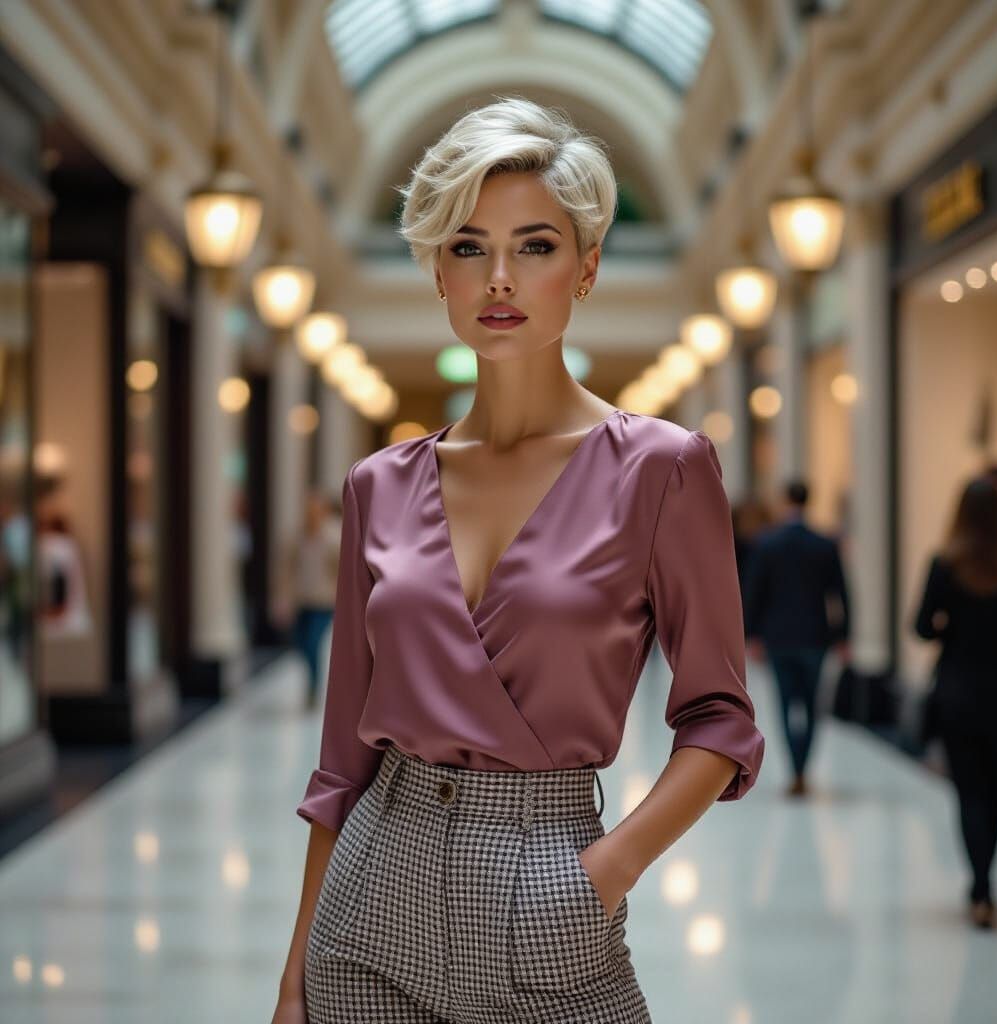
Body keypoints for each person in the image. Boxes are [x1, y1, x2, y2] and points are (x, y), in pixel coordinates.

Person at [273, 97, 765, 1024]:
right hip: (369, 901)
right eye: (467, 246)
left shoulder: (661, 469)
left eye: (534, 246)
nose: (499, 276)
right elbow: (343, 760)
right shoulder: (376, 486)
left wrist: (603, 874)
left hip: (549, 885)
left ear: (585, 269)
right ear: (438, 274)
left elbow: (720, 720)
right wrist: (295, 980)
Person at [910, 476, 997, 930]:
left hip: (956, 685)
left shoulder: (944, 565)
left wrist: (951, 628)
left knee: (968, 790)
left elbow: (920, 625)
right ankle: (985, 883)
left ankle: (978, 885)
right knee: (995, 787)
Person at [742, 479, 850, 798]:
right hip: (816, 636)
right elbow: (841, 593)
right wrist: (844, 636)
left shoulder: (767, 543)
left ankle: (795, 768)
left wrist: (752, 634)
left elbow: (754, 592)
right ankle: (804, 767)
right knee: (812, 704)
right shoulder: (825, 543)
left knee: (786, 703)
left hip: (779, 638)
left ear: (784, 500)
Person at [281, 492, 342, 710]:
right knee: (300, 644)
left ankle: (313, 688)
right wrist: (283, 597)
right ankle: (311, 680)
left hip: (323, 602)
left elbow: (341, 570)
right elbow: (287, 568)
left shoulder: (333, 537)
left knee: (313, 643)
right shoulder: (298, 537)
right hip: (302, 600)